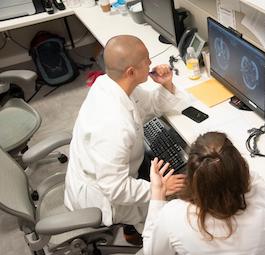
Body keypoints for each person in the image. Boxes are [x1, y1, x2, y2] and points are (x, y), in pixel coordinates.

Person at [64, 35, 187, 238]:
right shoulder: (114, 125)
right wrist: (162, 188)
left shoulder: (110, 84)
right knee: (178, 207)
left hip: (104, 174)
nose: (150, 63)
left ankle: (135, 226)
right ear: (131, 72)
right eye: (146, 60)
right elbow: (116, 189)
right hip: (102, 197)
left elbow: (151, 105)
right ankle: (143, 235)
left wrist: (165, 84)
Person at [142, 132, 265, 255]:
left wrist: (157, 191)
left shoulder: (174, 214)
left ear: (192, 176)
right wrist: (227, 168)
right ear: (240, 165)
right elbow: (251, 177)